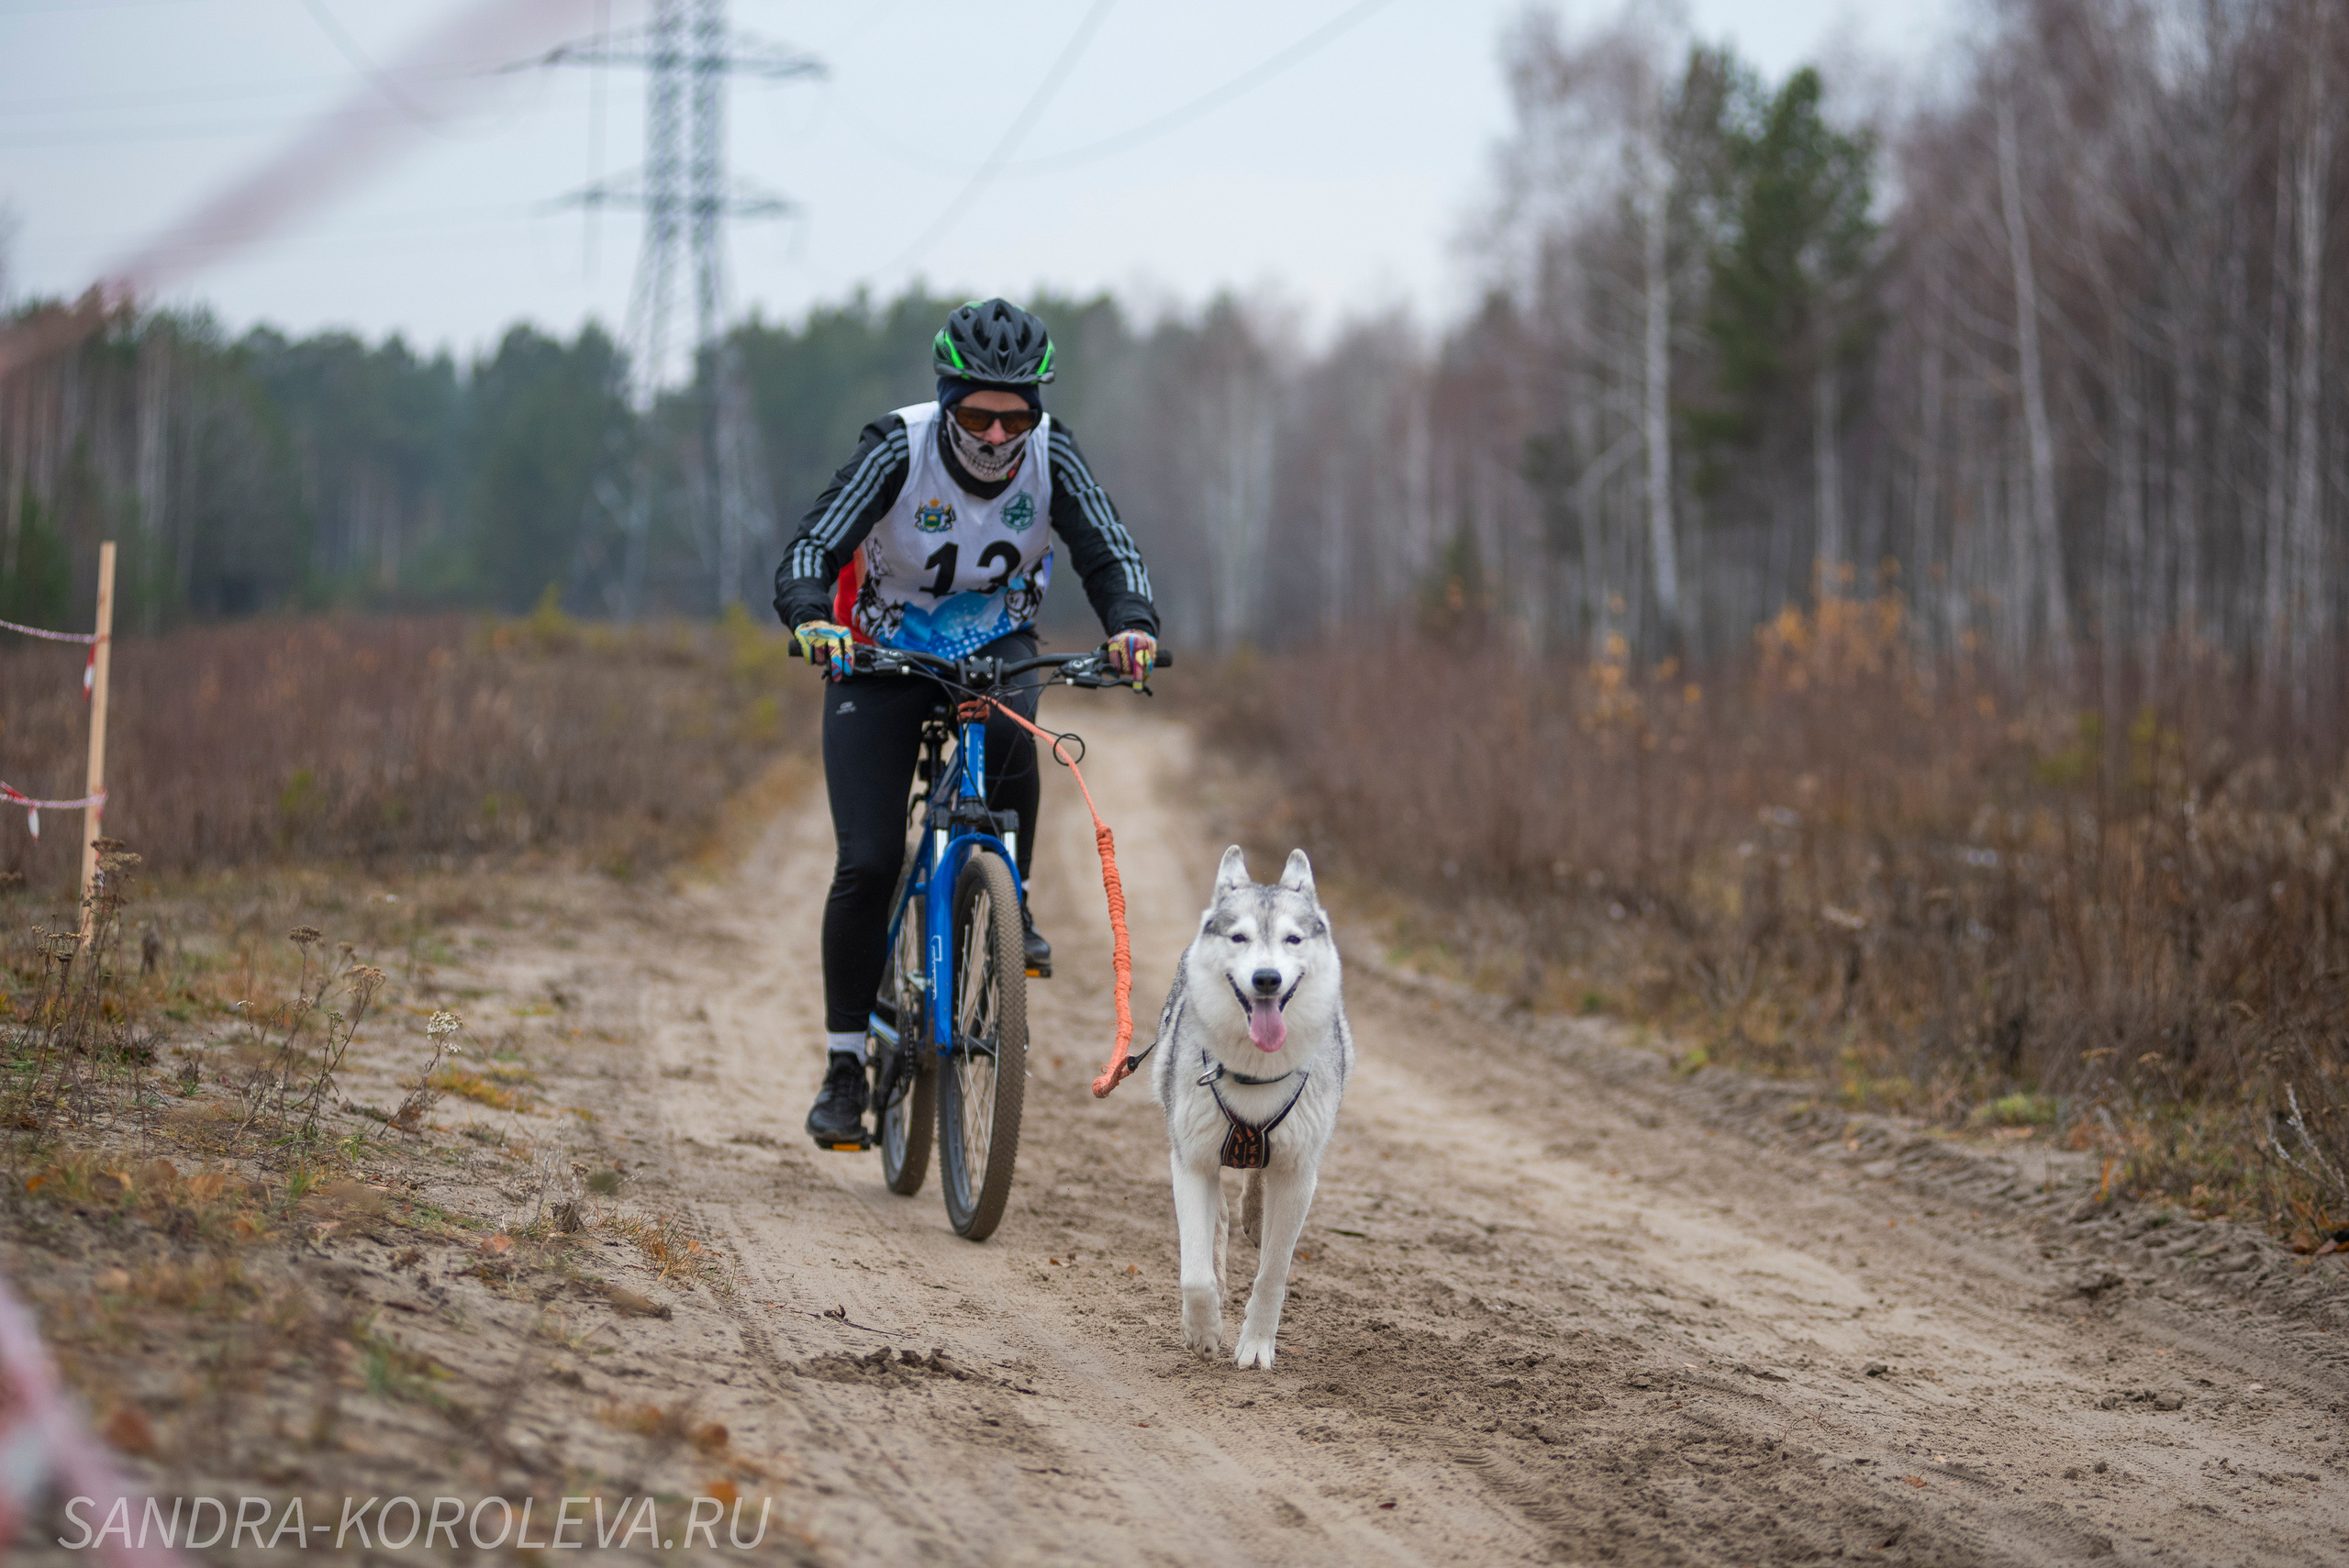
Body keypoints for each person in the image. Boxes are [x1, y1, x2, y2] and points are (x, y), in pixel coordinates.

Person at [774, 298, 1160, 1147]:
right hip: (880, 654)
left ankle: (1007, 897)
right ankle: (844, 1066)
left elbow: (1109, 550)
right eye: (978, 413)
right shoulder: (898, 447)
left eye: (1015, 414)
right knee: (869, 859)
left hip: (994, 647)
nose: (995, 435)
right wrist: (810, 613)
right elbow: (813, 546)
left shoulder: (1050, 452)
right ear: (948, 399)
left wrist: (1133, 624)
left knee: (1020, 731)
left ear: (1037, 408)